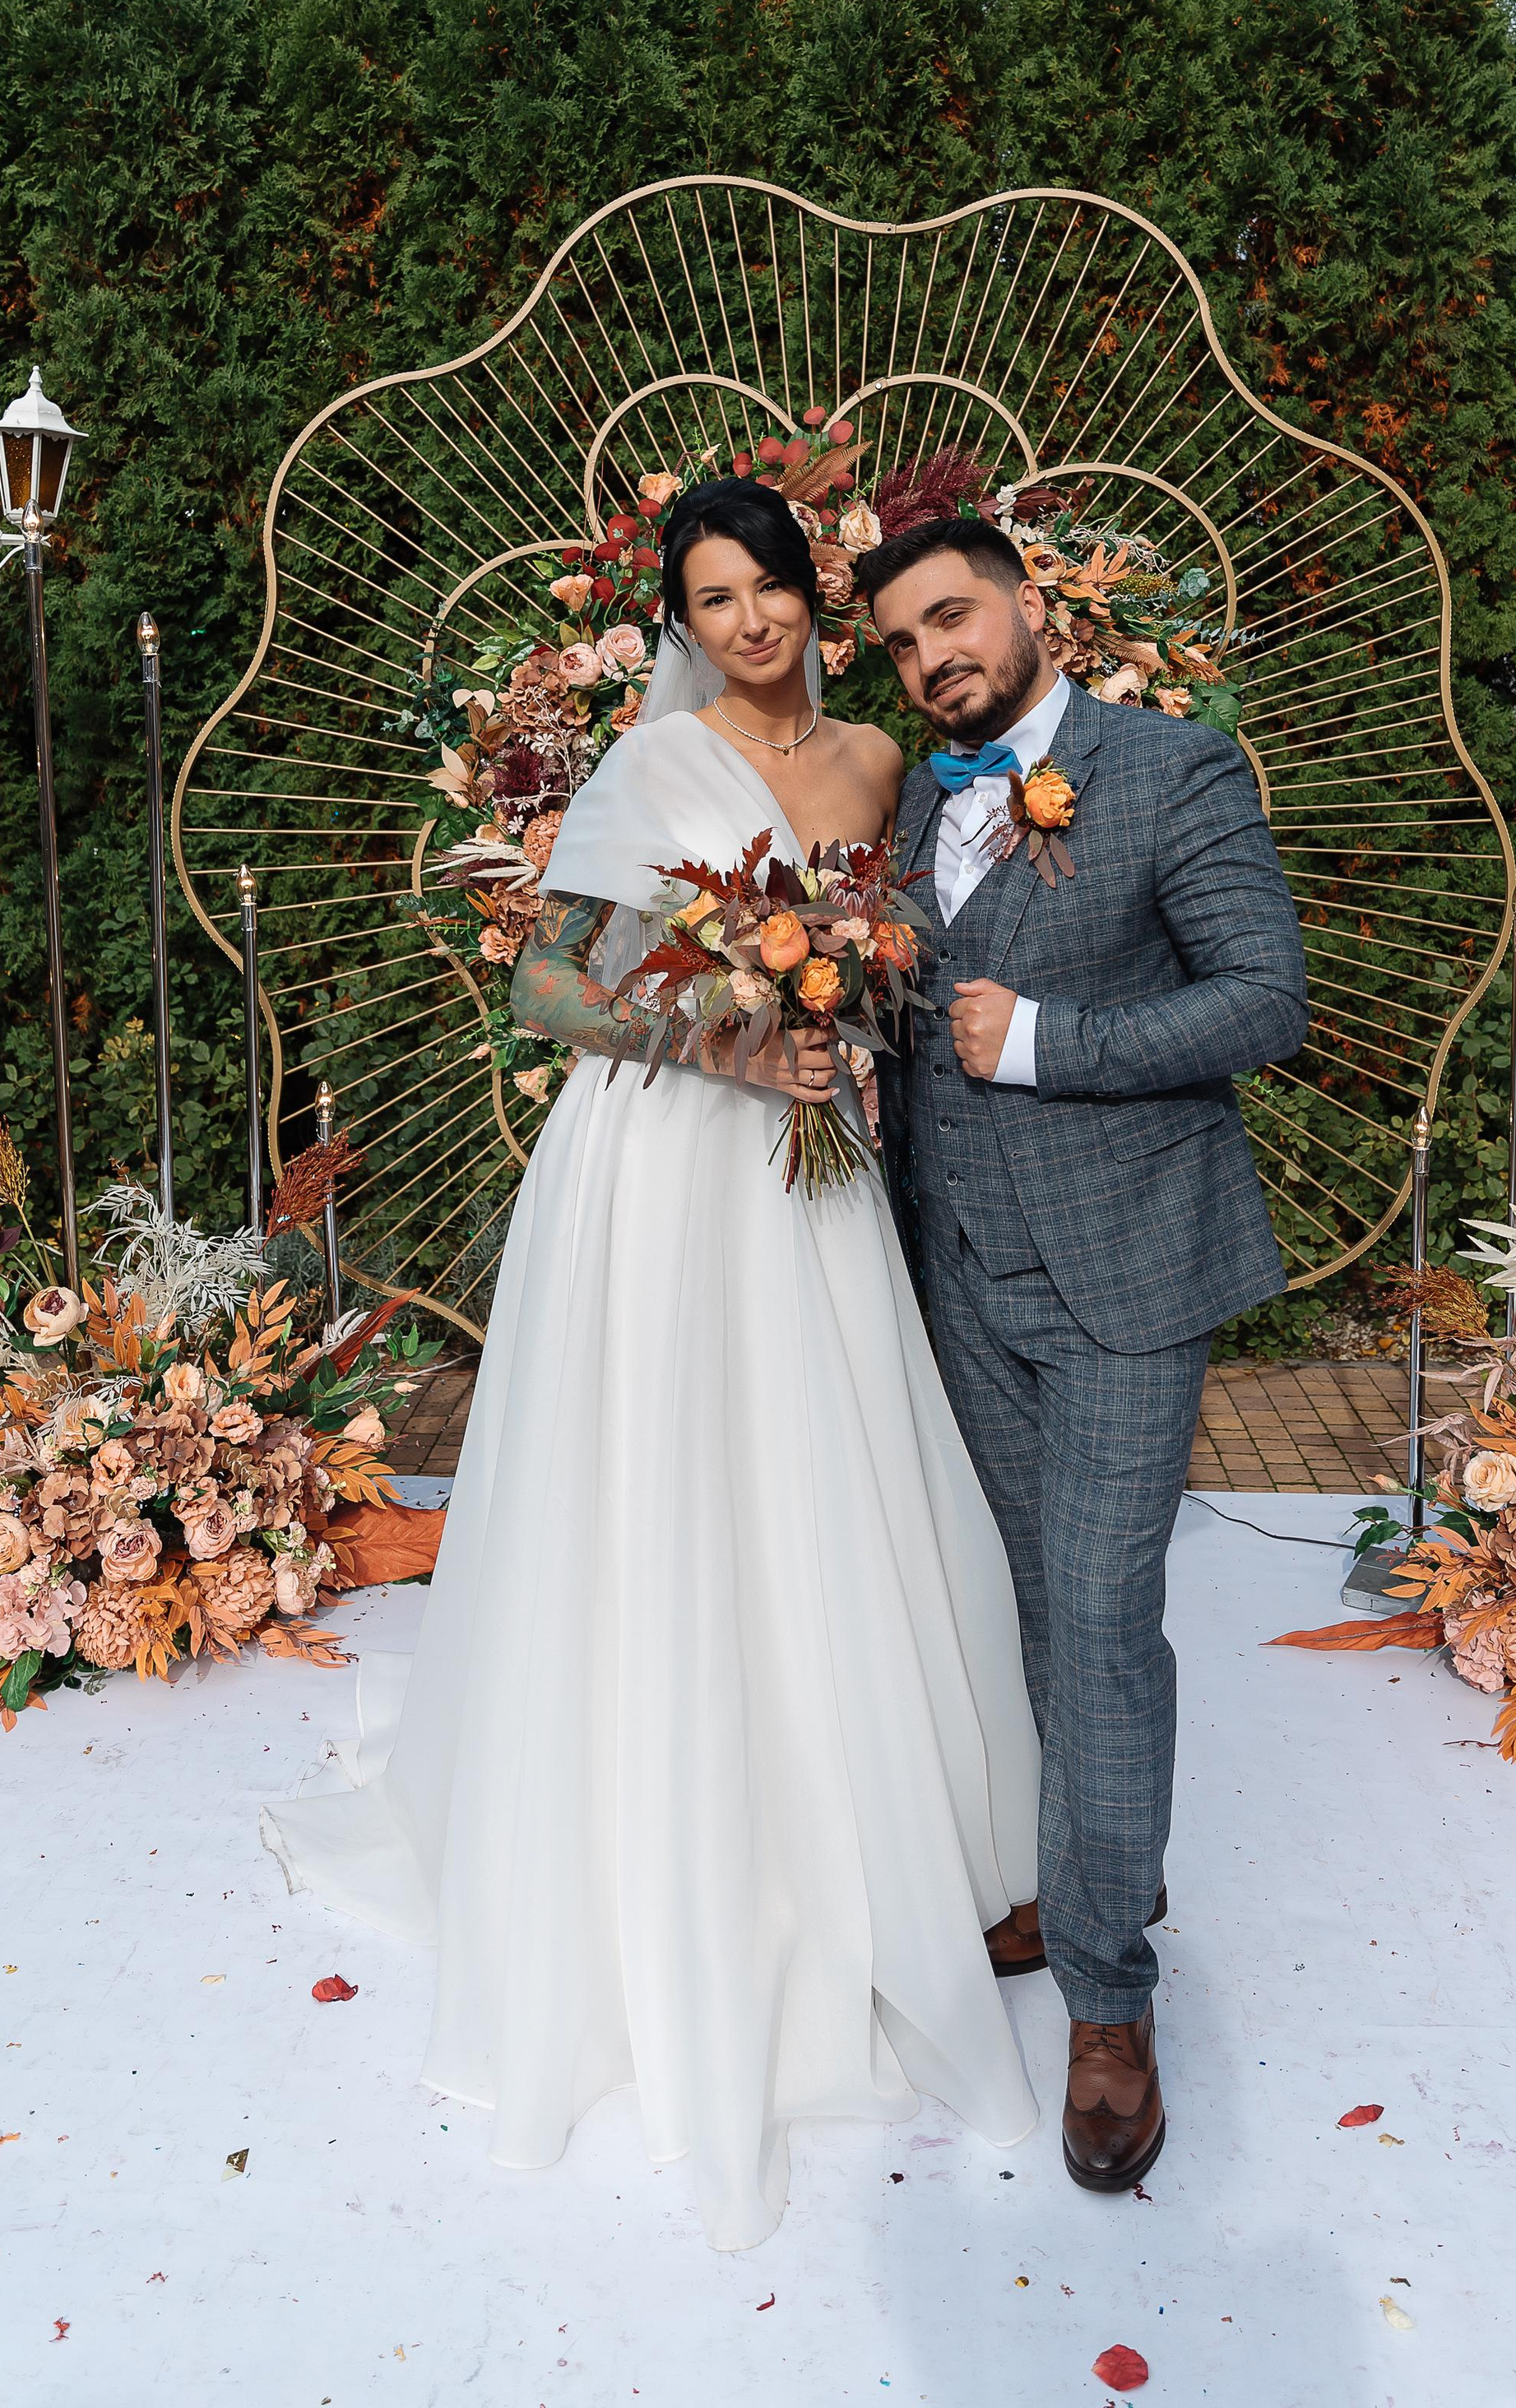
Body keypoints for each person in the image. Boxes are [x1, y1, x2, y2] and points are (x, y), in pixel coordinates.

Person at [262, 476, 1042, 2252]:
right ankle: (654, 1839)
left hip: (812, 1176)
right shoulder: (642, 773)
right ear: (680, 623)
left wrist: (845, 1012)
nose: (750, 622)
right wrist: (732, 1034)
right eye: (714, 598)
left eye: (771, 587)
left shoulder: (876, 769)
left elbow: (904, 955)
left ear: (810, 599)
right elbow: (550, 986)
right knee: (664, 1478)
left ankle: (862, 1841)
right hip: (658, 1167)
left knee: (819, 1471)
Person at [856, 512, 1309, 2195]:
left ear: (1029, 607)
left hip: (1126, 1271)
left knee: (1106, 1619)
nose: (934, 660)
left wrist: (1045, 1039)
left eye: (953, 619)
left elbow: (1265, 999)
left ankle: (1107, 2001)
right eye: (903, 645)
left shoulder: (1171, 771)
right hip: (962, 1266)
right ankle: (1091, 1864)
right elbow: (902, 997)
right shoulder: (914, 799)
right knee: (1038, 1600)